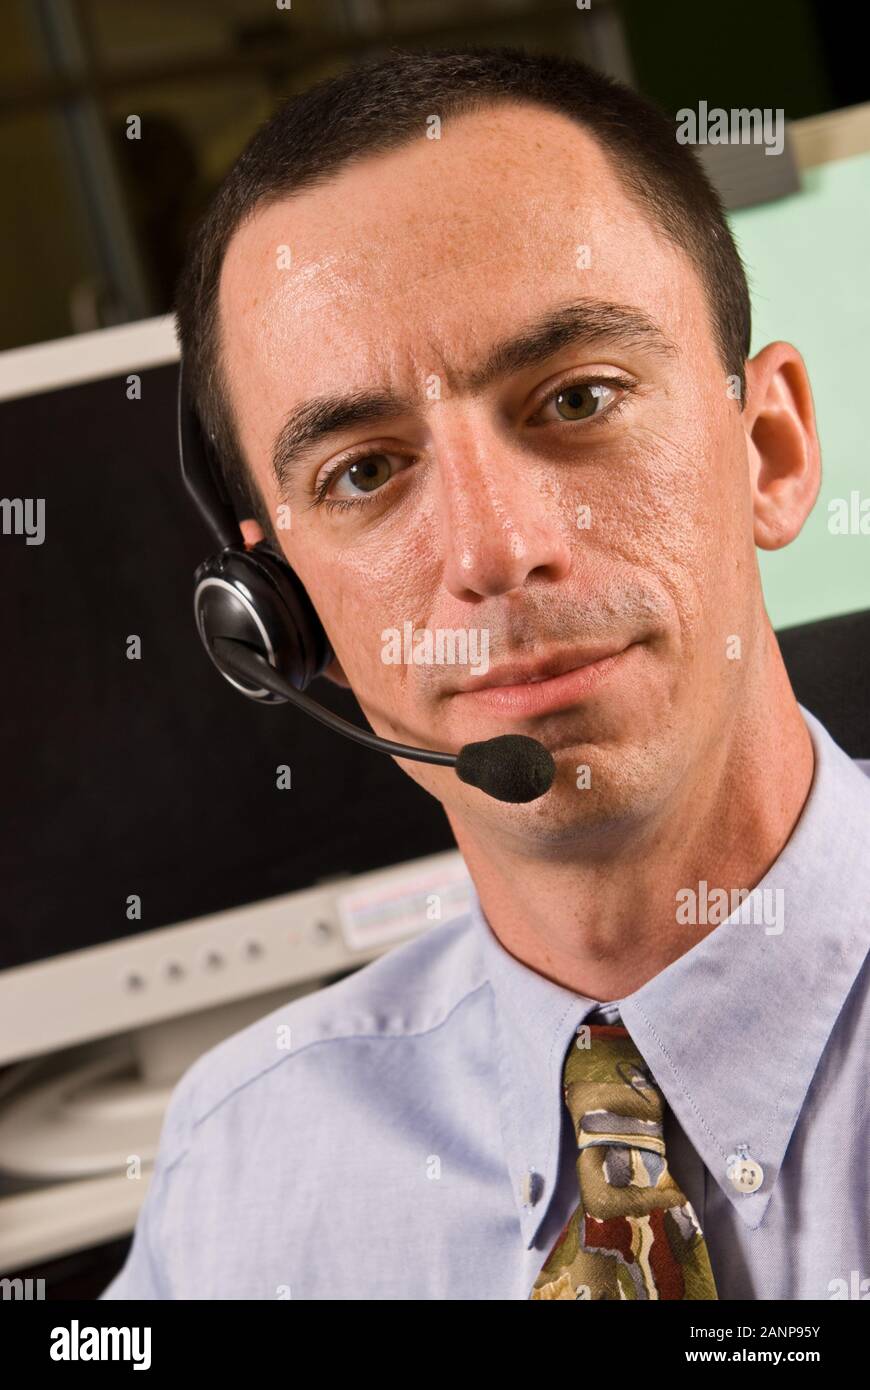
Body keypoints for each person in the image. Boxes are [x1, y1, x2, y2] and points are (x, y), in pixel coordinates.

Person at [101, 46, 869, 1300]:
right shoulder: (240, 1178)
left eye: (577, 398)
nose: (495, 550)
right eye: (363, 470)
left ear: (771, 449)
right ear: (281, 619)